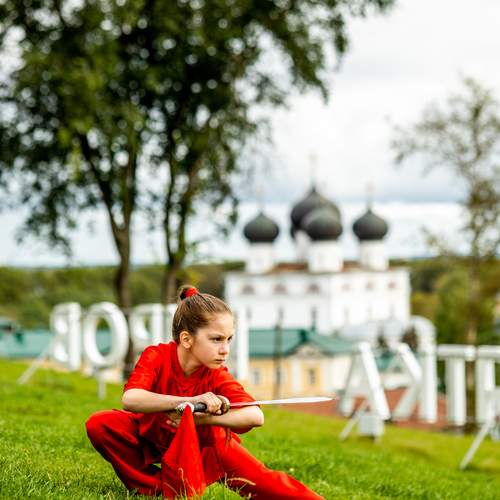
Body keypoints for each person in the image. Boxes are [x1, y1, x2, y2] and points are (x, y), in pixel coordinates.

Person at [86, 285, 324, 499]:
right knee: (100, 424)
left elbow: (255, 416)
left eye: (229, 339)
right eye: (216, 339)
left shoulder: (217, 373)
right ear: (187, 339)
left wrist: (203, 419)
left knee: (269, 484)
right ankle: (154, 490)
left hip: (207, 446)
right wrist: (189, 401)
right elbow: (131, 399)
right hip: (152, 435)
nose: (225, 349)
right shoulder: (156, 355)